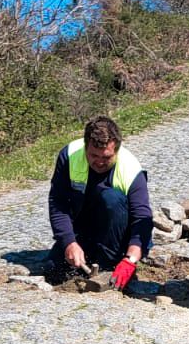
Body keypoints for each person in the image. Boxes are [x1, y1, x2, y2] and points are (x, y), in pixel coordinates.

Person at [48, 115, 152, 289]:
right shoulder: (69, 156)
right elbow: (58, 204)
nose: (99, 162)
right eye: (93, 155)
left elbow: (142, 218)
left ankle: (108, 265)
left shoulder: (131, 169)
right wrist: (69, 243)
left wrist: (131, 259)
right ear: (85, 146)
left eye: (106, 157)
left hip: (117, 235)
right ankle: (84, 252)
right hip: (84, 227)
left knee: (111, 198)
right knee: (54, 269)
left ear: (116, 150)